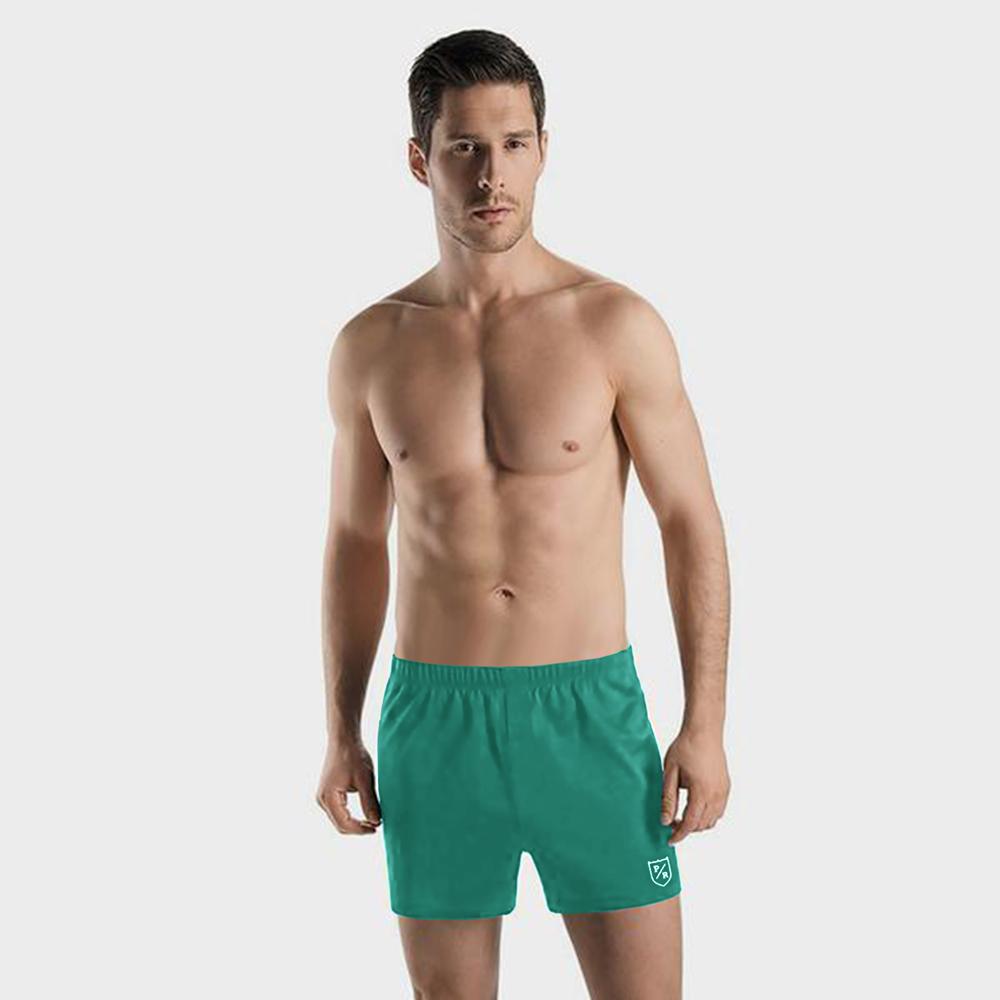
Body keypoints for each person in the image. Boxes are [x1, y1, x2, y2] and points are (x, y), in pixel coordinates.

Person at [316, 28, 731, 1000]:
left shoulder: (613, 324)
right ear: (420, 159)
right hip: (434, 722)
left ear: (544, 150)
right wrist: (340, 728)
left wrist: (704, 722)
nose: (490, 175)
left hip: (589, 715)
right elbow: (354, 540)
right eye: (463, 147)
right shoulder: (372, 345)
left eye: (512, 144)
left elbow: (690, 523)